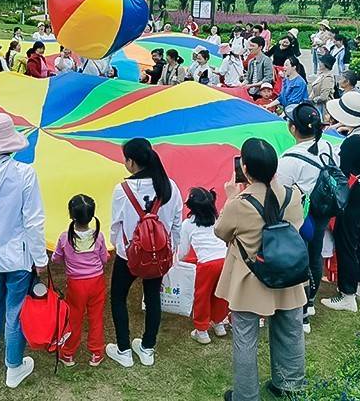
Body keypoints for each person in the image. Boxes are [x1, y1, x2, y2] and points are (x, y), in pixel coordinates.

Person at [215, 138, 306, 400]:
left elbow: (221, 231)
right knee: (290, 331)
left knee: (246, 340)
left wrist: (232, 197)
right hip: (288, 273)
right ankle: (290, 385)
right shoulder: (292, 195)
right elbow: (296, 226)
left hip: (250, 281)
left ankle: (245, 396)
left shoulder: (239, 203)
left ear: (244, 168)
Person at [0, 113, 48, 388]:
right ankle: (14, 366)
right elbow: (34, 220)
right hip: (17, 255)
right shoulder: (25, 174)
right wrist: (40, 259)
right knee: (15, 309)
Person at [106, 138, 182, 368]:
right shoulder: (169, 185)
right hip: (159, 255)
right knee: (152, 298)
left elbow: (115, 226)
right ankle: (147, 348)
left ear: (131, 162)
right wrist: (171, 249)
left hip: (129, 256)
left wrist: (119, 247)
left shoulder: (123, 190)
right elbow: (177, 222)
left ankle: (123, 349)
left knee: (118, 298)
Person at [276, 102, 339, 333]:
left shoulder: (289, 159)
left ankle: (301, 314)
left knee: (299, 260)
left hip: (301, 215)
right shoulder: (328, 147)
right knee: (314, 254)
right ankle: (310, 302)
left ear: (293, 128)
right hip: (322, 211)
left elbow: (280, 194)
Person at [321, 91, 360, 313]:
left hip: (351, 201)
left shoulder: (352, 143)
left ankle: (347, 294)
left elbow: (340, 173)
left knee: (346, 245)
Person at [51, 194, 109, 367]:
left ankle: (68, 354)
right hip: (97, 282)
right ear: (92, 215)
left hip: (76, 285)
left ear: (70, 215)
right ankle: (96, 353)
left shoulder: (64, 237)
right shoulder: (98, 236)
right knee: (96, 317)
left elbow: (56, 258)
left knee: (74, 318)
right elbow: (105, 258)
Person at [177, 188, 228, 343]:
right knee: (220, 294)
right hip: (225, 260)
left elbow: (183, 250)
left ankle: (202, 330)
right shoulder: (216, 218)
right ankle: (219, 323)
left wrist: (176, 260)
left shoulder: (187, 224)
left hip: (206, 265)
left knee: (202, 296)